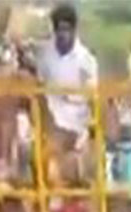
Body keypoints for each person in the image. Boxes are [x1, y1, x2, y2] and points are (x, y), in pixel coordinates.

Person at [35, 3, 99, 154]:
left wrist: (90, 131)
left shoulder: (86, 60)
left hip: (76, 124)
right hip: (49, 123)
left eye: (66, 29)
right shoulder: (45, 55)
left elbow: (92, 98)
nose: (62, 34)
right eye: (59, 29)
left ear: (74, 30)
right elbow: (39, 85)